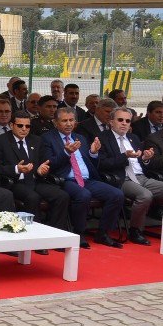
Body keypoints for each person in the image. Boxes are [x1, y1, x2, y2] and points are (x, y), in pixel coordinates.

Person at [39, 106, 123, 248]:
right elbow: (49, 164)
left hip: (86, 179)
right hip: (64, 179)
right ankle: (79, 233)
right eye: (64, 120)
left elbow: (92, 164)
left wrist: (93, 153)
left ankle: (103, 233)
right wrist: (66, 153)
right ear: (55, 123)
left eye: (71, 120)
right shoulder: (47, 139)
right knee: (83, 195)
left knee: (117, 194)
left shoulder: (80, 138)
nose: (69, 124)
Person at [97, 106, 163, 246]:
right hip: (121, 178)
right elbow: (101, 164)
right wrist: (124, 157)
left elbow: (144, 163)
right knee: (145, 195)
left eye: (127, 120)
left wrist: (146, 158)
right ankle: (135, 230)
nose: (124, 123)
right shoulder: (103, 138)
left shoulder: (133, 138)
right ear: (111, 122)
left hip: (140, 176)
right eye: (120, 120)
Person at [0, 110, 70, 237]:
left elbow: (43, 163)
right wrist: (16, 169)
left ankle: (55, 234)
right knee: (33, 197)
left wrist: (41, 169)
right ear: (12, 125)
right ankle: (34, 237)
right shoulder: (0, 141)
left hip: (35, 180)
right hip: (14, 182)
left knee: (61, 195)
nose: (24, 129)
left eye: (28, 126)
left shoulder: (36, 140)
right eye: (20, 125)